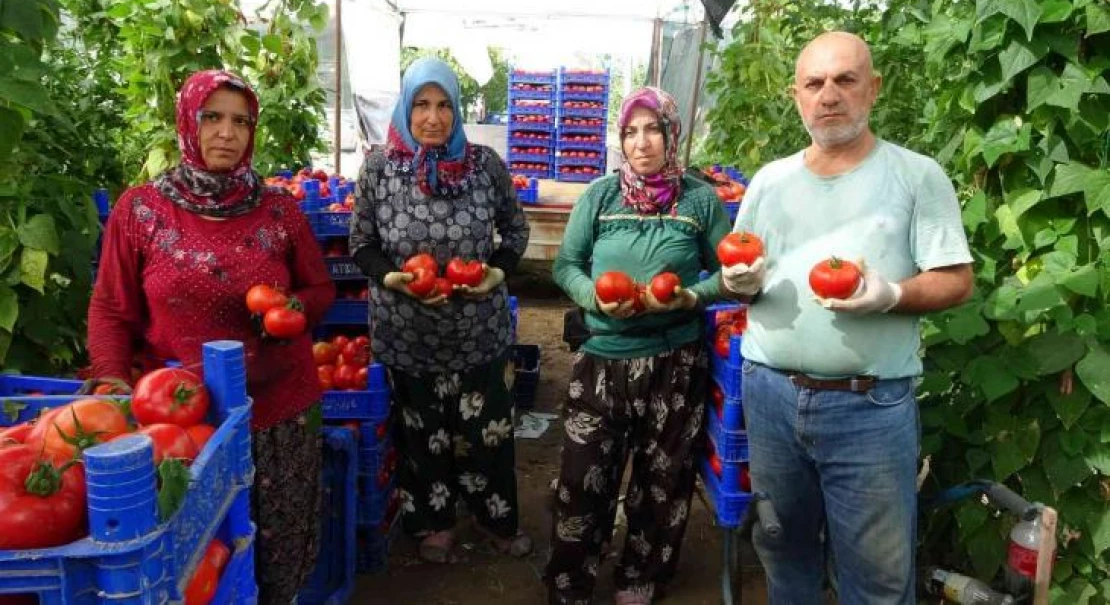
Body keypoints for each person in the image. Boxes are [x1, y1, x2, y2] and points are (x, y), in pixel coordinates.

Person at [722, 31, 974, 604]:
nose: (829, 95)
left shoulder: (916, 176)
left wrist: (889, 294)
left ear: (873, 89)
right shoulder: (769, 181)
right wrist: (746, 285)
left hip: (870, 406)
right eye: (814, 83)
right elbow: (744, 267)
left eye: (845, 80)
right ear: (796, 97)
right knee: (783, 551)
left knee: (879, 576)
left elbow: (958, 280)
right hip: (770, 396)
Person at [88, 70, 336, 604]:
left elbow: (319, 288)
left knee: (277, 543)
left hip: (278, 410)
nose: (227, 132)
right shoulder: (140, 212)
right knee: (200, 555)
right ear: (187, 122)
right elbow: (111, 307)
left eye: (241, 121)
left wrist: (290, 309)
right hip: (182, 419)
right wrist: (110, 376)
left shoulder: (280, 210)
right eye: (212, 117)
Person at [547, 87, 733, 605]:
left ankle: (639, 579)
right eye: (631, 131)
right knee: (583, 480)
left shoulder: (699, 200)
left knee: (663, 479)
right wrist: (592, 299)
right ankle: (570, 582)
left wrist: (693, 296)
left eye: (654, 129)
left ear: (672, 135)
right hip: (603, 360)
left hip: (674, 363)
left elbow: (733, 272)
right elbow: (567, 264)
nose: (642, 142)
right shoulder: (601, 196)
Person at [348, 57, 532, 563]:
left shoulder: (486, 167)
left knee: (488, 434)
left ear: (457, 110)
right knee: (421, 435)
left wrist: (495, 272)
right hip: (408, 334)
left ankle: (495, 519)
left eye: (444, 105)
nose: (433, 117)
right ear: (406, 107)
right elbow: (360, 242)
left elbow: (515, 232)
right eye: (422, 105)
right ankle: (434, 523)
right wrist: (392, 278)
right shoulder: (379, 169)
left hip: (478, 331)